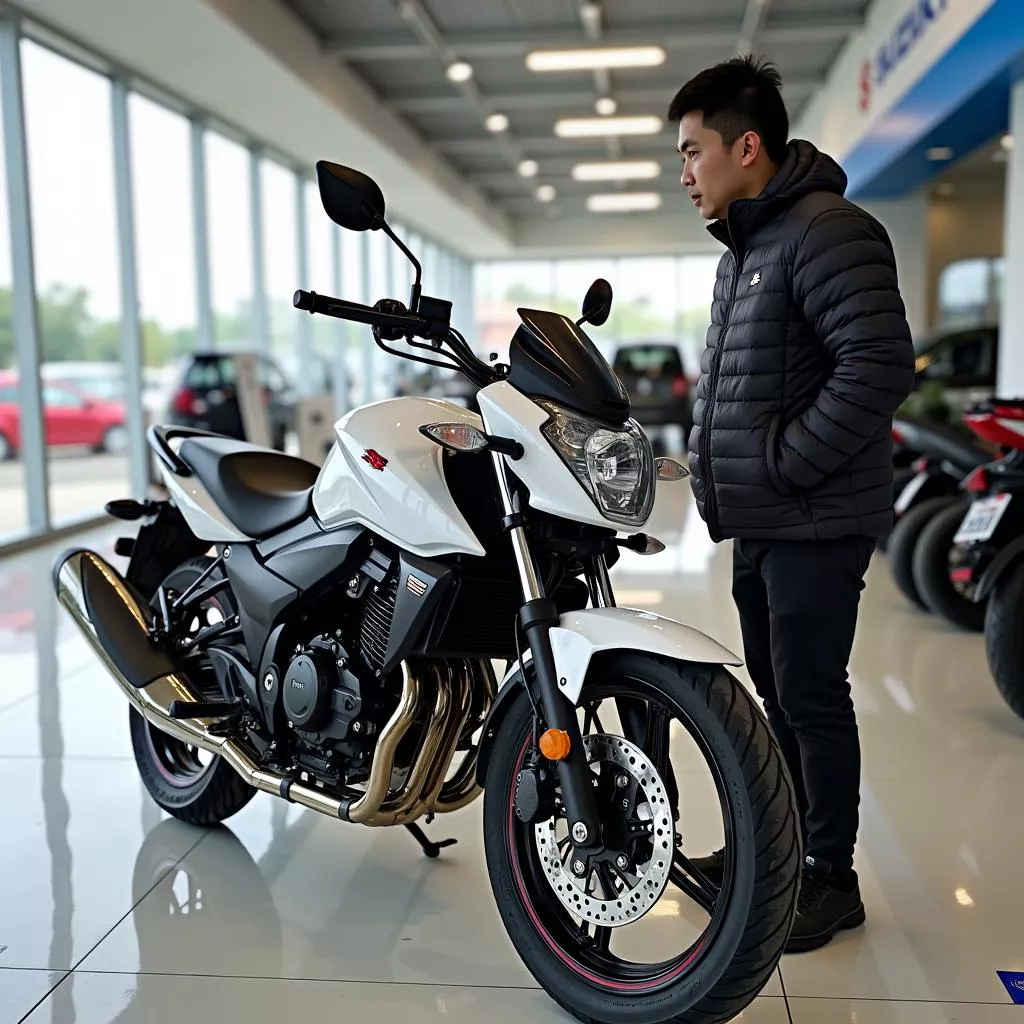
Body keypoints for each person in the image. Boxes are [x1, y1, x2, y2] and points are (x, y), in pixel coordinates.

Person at [667, 56, 916, 952]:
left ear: (747, 147)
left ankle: (830, 878)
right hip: (767, 520)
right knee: (775, 694)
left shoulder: (826, 230)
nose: (684, 172)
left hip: (815, 516)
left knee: (810, 696)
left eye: (692, 151)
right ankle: (778, 853)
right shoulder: (748, 248)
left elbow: (878, 364)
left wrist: (785, 462)